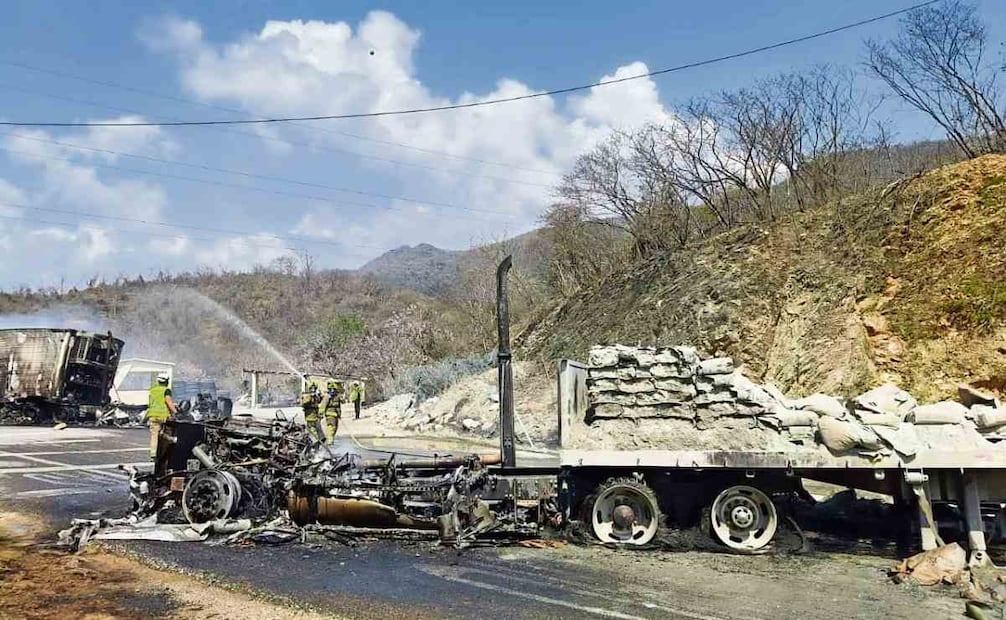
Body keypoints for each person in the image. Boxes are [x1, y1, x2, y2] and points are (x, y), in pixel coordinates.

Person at [147, 373, 177, 460]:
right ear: (166, 381)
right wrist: (175, 411)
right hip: (163, 416)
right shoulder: (166, 390)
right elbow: (168, 402)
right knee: (166, 434)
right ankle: (166, 451)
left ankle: (153, 454)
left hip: (153, 415)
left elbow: (151, 403)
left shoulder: (152, 390)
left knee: (154, 435)